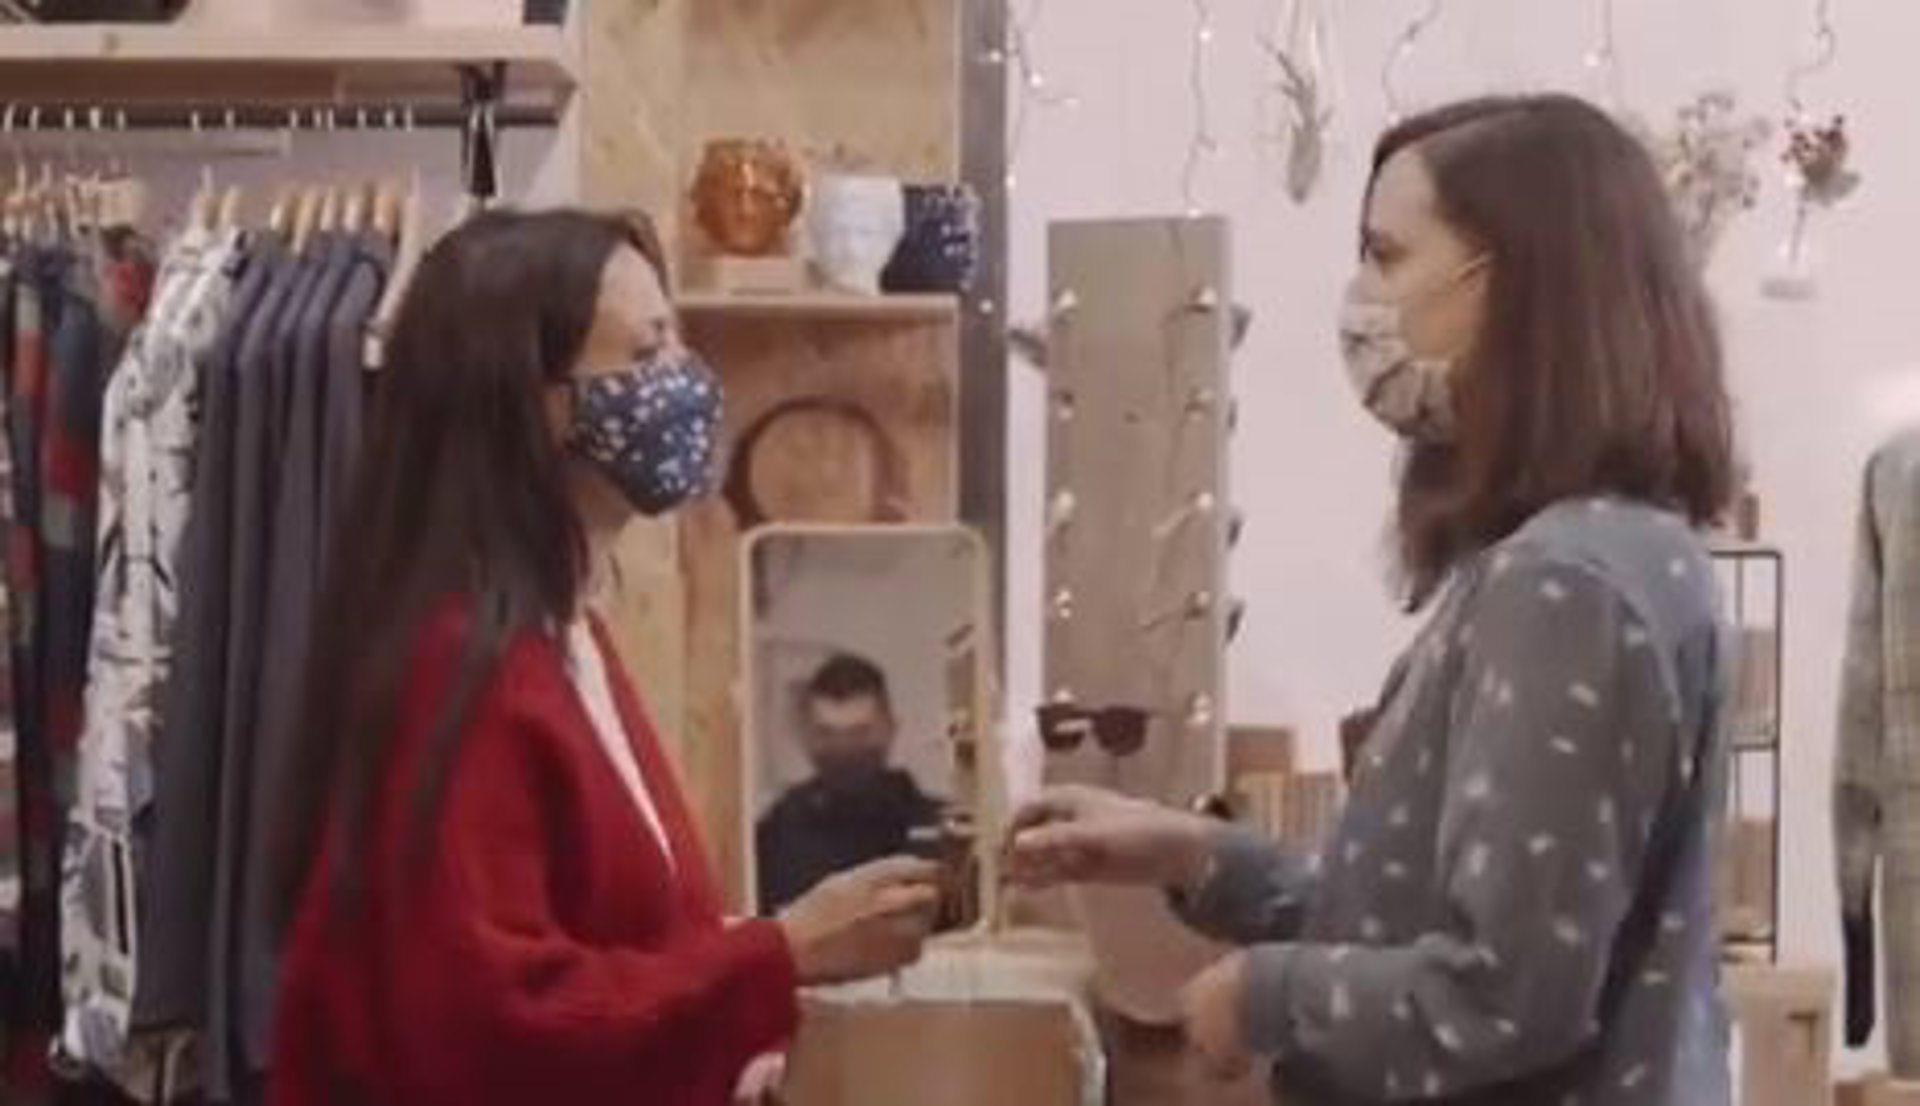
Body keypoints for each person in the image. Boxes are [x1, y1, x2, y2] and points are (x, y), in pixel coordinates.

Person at [1007, 94, 1737, 1106]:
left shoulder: (1564, 585)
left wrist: (1266, 997)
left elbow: (1507, 991)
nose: (1362, 300)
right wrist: (1194, 852)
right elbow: (1421, 915)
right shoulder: (1624, 555)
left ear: (1517, 283)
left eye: (1389, 258)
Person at [267, 209, 941, 1106]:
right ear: (536, 404)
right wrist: (782, 953)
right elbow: (494, 1024)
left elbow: (618, 948)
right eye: (649, 351)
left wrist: (745, 1006)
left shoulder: (559, 633)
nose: (688, 379)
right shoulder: (463, 667)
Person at [757, 653, 945, 914]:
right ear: (809, 736)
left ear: (890, 729)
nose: (843, 748)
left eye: (859, 733)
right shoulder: (778, 834)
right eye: (827, 734)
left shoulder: (937, 829)